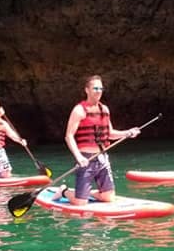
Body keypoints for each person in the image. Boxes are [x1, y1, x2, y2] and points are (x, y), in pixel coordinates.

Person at [60, 75, 140, 205]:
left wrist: (128, 132)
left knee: (108, 197)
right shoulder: (79, 110)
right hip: (85, 158)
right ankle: (64, 191)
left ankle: (86, 193)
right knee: (80, 203)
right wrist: (79, 157)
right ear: (87, 90)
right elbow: (69, 136)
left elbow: (110, 134)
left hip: (102, 158)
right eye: (95, 88)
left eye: (100, 88)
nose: (98, 91)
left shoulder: (105, 109)